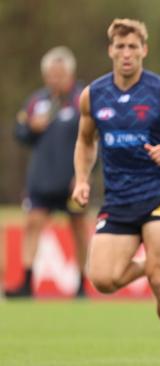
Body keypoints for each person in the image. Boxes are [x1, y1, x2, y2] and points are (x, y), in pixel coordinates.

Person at [72, 19, 160, 366]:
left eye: (133, 47)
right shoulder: (93, 95)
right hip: (118, 200)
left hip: (159, 194)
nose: (126, 53)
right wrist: (82, 180)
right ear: (111, 50)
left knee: (159, 282)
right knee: (102, 279)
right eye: (120, 47)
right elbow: (85, 141)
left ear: (144, 50)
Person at [9, 46, 89, 298]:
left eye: (60, 74)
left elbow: (93, 141)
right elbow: (19, 133)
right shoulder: (36, 101)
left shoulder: (82, 100)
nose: (56, 80)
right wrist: (32, 128)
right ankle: (26, 282)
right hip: (42, 179)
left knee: (78, 229)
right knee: (32, 224)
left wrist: (83, 175)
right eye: (51, 75)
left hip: (72, 181)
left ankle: (81, 285)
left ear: (71, 74)